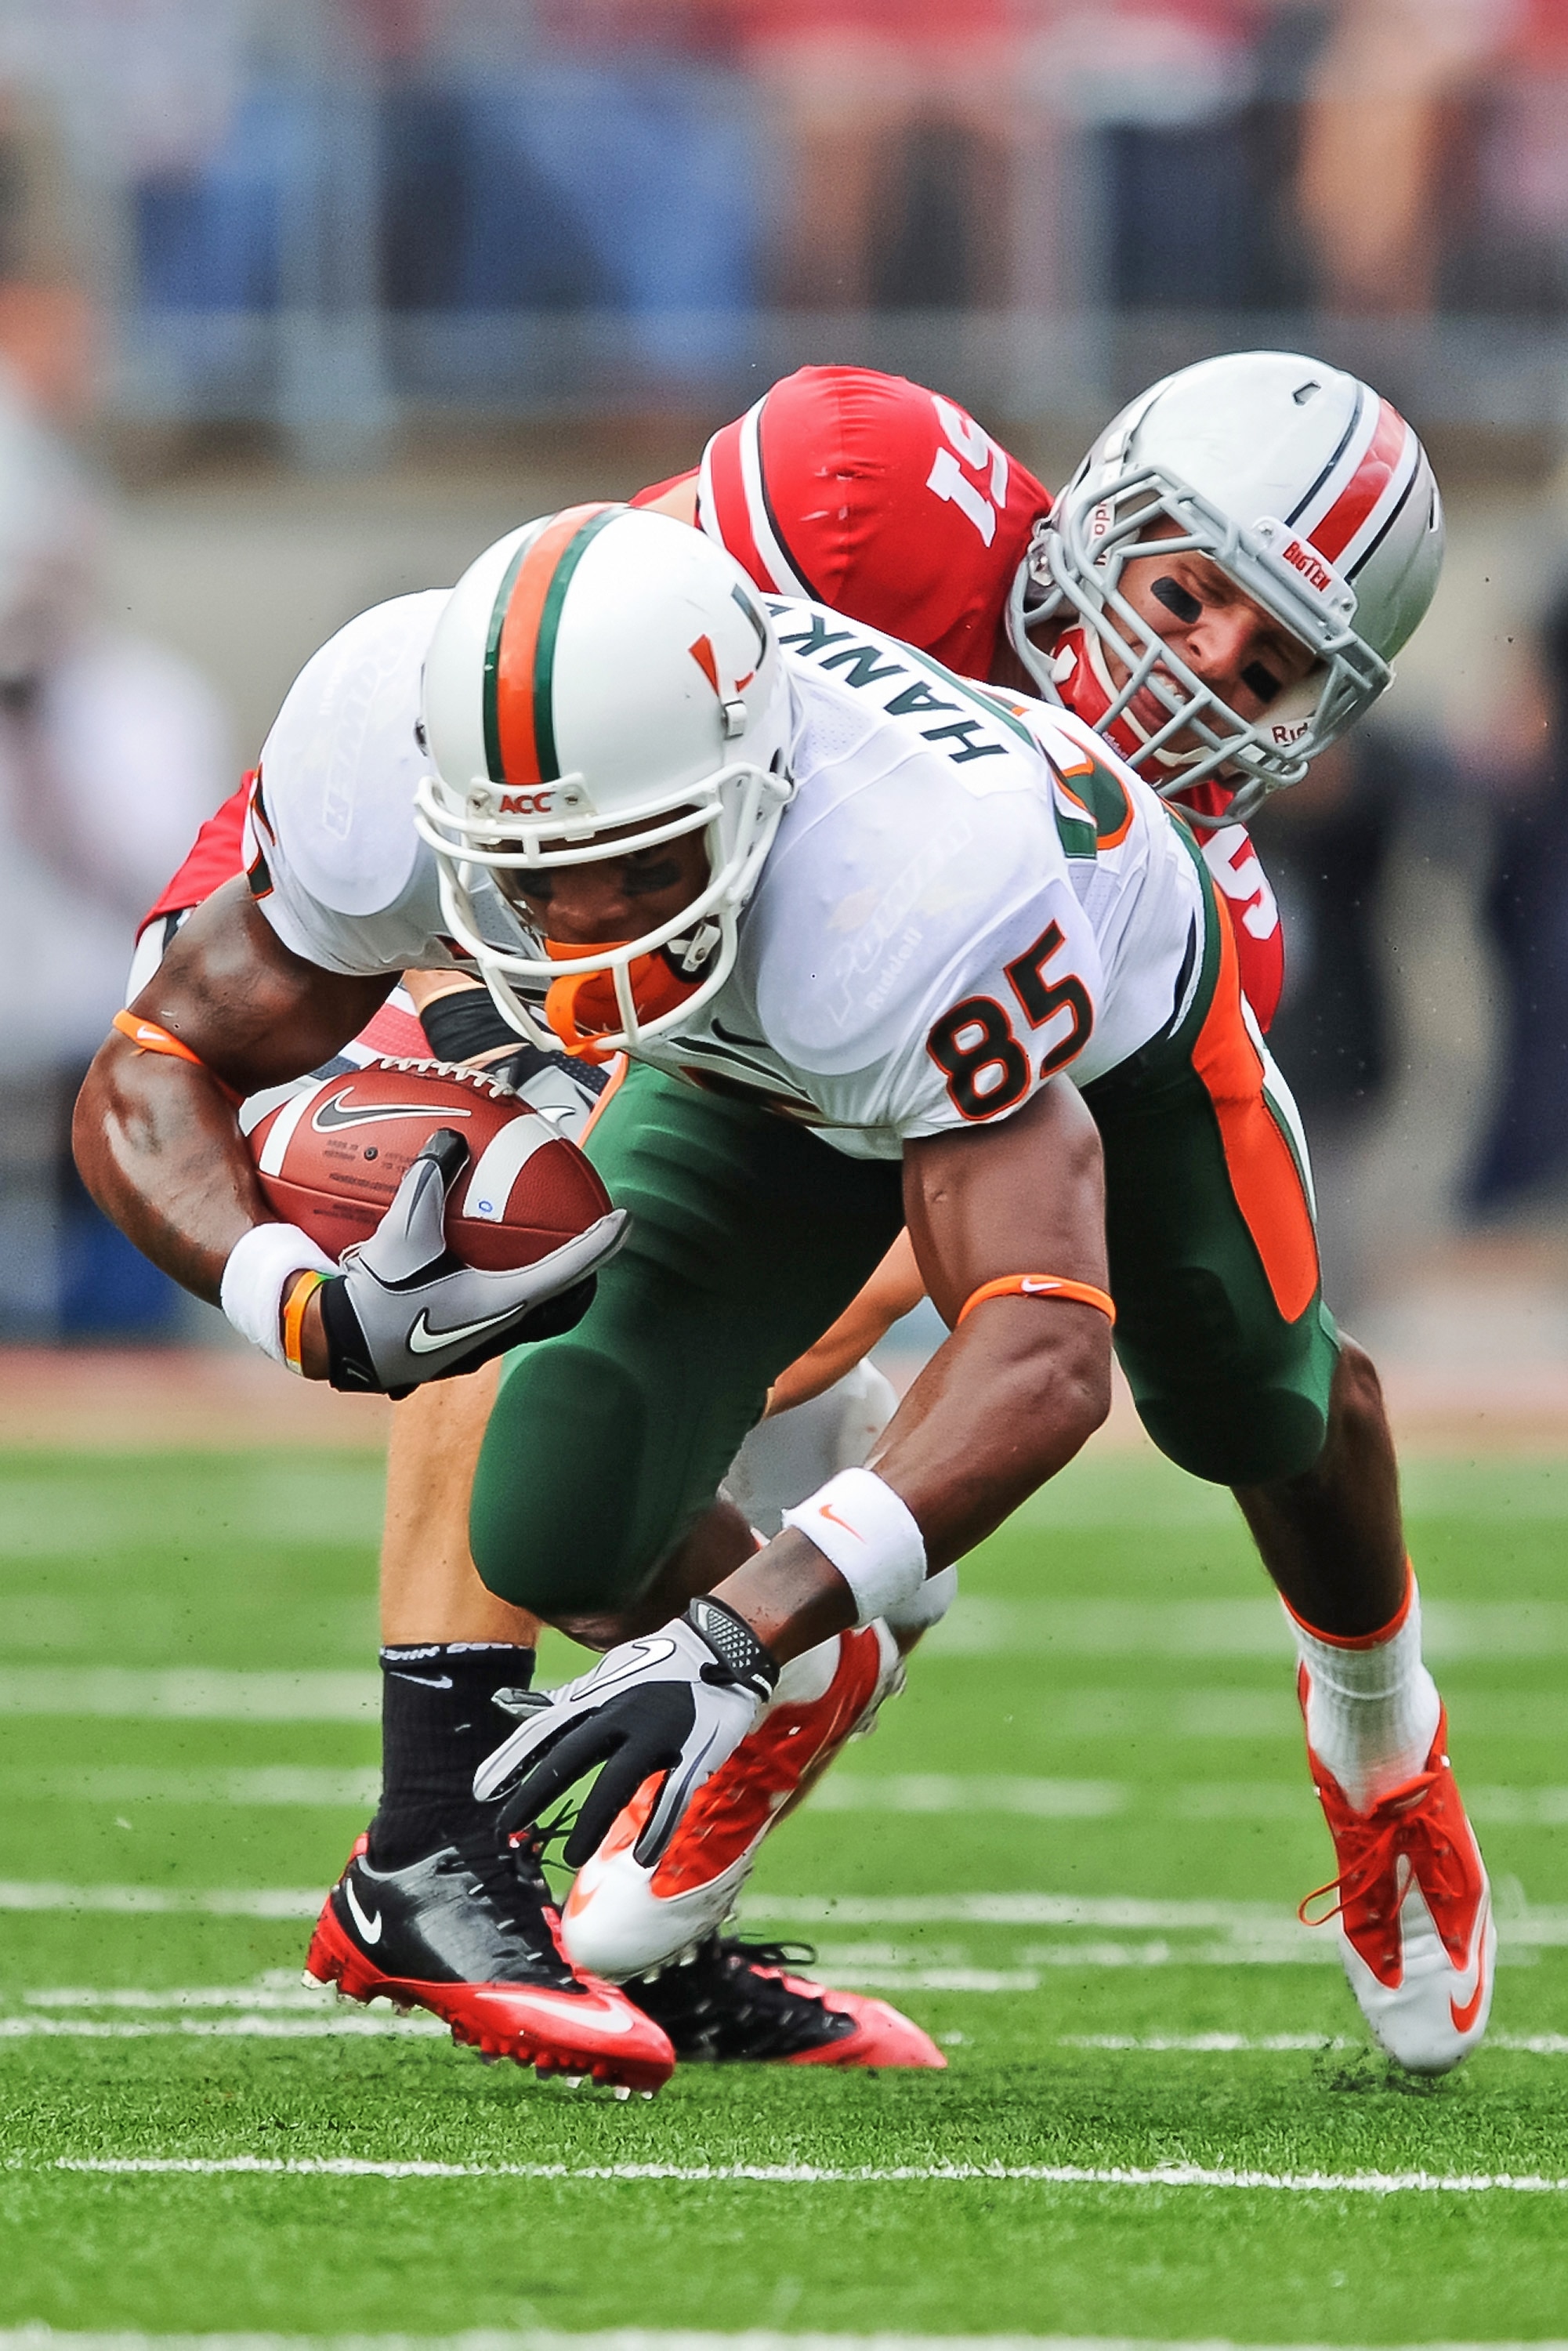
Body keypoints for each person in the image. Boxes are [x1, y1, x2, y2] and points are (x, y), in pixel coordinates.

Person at [118, 350, 1451, 2073]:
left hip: (773, 1029)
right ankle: (437, 1836)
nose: (1195, 672)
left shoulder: (1150, 893)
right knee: (504, 1211)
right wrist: (345, 1233)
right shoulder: (864, 496)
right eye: (1185, 593)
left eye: (1260, 665)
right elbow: (558, 709)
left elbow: (965, 1282)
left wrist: (766, 1590)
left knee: (820, 1469)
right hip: (495, 879)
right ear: (1098, 514)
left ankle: (659, 1865)